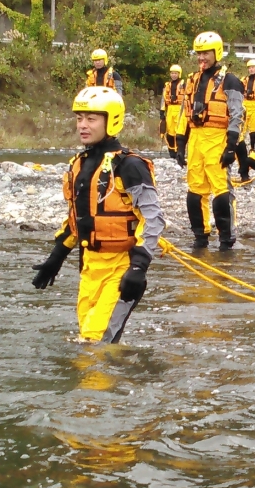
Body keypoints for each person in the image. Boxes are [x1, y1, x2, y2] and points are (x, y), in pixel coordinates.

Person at [31, 86, 165, 343]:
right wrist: (56, 257)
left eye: (91, 119)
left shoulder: (130, 166)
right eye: (80, 118)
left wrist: (138, 268)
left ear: (111, 121)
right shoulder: (79, 164)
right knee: (87, 340)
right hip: (90, 267)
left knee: (95, 343)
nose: (83, 125)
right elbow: (77, 219)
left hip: (122, 268)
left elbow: (153, 218)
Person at [175, 31, 245, 250]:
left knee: (221, 192)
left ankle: (226, 239)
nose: (201, 58)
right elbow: (183, 113)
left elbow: (237, 114)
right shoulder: (192, 80)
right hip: (196, 138)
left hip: (217, 138)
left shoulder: (230, 80)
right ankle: (200, 236)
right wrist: (180, 143)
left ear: (216, 53)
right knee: (195, 191)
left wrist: (231, 147)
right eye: (198, 54)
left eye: (205, 53)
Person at [160, 64, 184, 159]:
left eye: (176, 73)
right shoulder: (167, 86)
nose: (174, 75)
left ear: (179, 74)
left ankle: (179, 152)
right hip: (170, 109)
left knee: (178, 132)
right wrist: (162, 111)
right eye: (172, 73)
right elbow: (164, 99)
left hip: (179, 109)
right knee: (169, 132)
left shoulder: (183, 85)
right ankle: (171, 152)